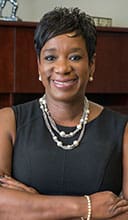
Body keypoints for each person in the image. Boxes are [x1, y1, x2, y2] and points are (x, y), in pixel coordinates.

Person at [0, 7, 128, 220]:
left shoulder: (123, 130)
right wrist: (88, 207)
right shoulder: (7, 122)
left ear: (92, 64)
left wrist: (33, 205)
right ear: (38, 65)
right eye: (50, 57)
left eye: (75, 57)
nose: (62, 68)